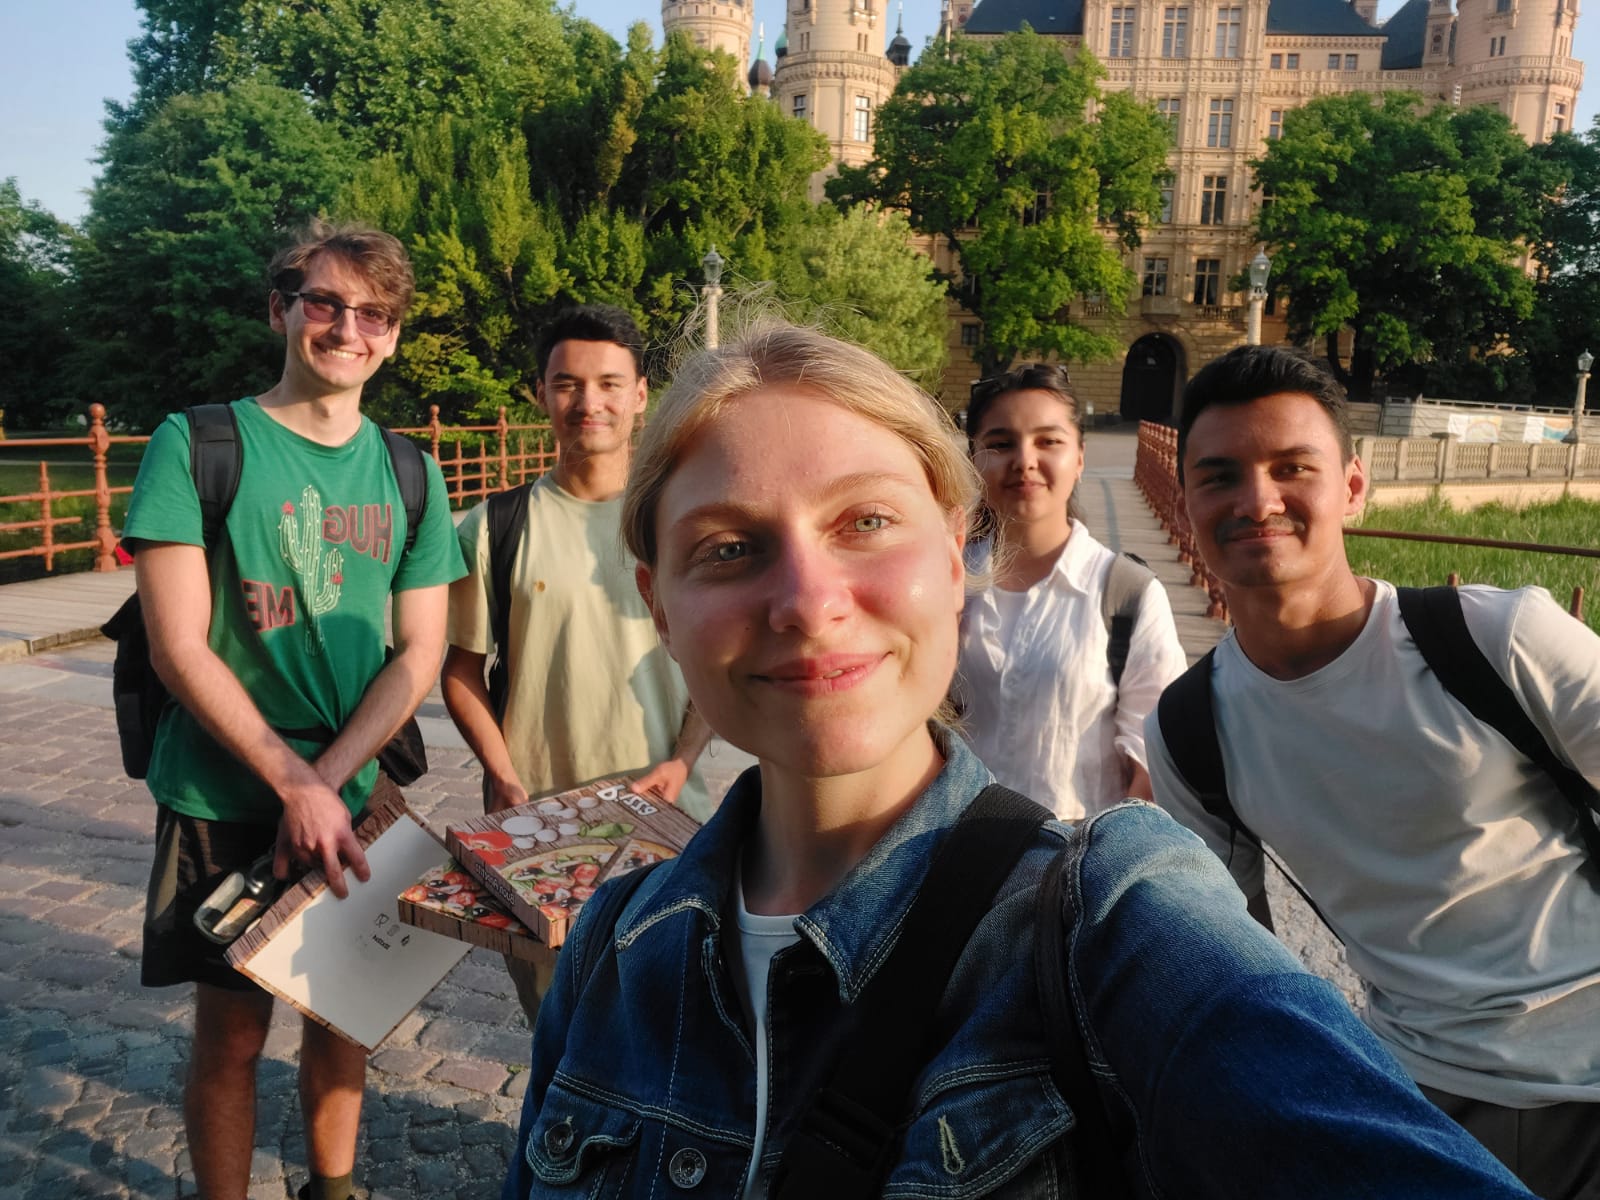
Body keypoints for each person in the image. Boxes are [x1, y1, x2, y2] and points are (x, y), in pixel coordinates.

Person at [501, 320, 1537, 1200]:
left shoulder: (1112, 920)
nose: (808, 604)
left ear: (954, 554)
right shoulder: (610, 946)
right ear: (658, 604)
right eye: (728, 548)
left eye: (867, 521)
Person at [1146, 344, 1600, 1199]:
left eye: (1292, 468)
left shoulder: (1497, 639)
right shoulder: (1188, 730)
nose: (1257, 501)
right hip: (1426, 1098)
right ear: (1184, 500)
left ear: (1352, 487)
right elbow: (1234, 956)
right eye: (1219, 476)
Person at [124, 221, 464, 1200]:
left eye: (374, 313)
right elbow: (177, 645)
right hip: (224, 792)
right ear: (281, 310)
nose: (348, 328)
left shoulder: (409, 471)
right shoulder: (198, 445)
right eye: (325, 302)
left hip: (354, 792)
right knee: (231, 1036)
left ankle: (335, 1190)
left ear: (393, 335)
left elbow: (419, 652)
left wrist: (325, 784)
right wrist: (289, 783)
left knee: (342, 1016)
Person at [442, 304, 712, 1023]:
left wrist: (683, 759)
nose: (588, 402)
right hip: (537, 826)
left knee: (667, 1024)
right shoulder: (494, 527)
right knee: (555, 1027)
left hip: (666, 815)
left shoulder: (679, 522)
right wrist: (503, 776)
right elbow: (461, 672)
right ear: (540, 393)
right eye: (567, 384)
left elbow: (720, 659)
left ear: (641, 394)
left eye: (609, 383)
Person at [956, 364, 1186, 817]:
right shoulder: (942, 580)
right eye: (1001, 444)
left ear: (1079, 457)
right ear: (974, 460)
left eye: (1048, 442)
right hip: (952, 838)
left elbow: (1153, 762)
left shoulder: (1126, 594)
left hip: (1078, 846)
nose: (1025, 460)